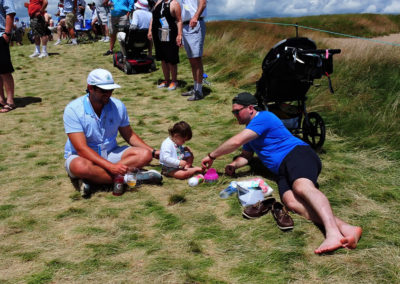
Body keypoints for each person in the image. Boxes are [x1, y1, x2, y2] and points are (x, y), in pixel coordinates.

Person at [201, 92, 363, 254]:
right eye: (233, 112)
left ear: (250, 108)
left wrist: (211, 156)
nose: (235, 115)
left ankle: (332, 233)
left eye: (237, 111)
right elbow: (246, 156)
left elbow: (236, 142)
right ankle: (346, 228)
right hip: (281, 171)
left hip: (297, 154)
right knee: (291, 202)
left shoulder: (264, 117)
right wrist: (234, 165)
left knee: (301, 187)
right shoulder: (250, 130)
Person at [63, 68, 162, 197]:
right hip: (83, 156)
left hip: (110, 152)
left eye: (111, 90)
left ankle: (93, 180)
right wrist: (110, 167)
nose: (108, 94)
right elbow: (81, 149)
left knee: (145, 155)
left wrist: (153, 152)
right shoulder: (73, 109)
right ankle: (130, 178)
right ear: (90, 88)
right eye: (104, 91)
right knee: (80, 166)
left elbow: (129, 135)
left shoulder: (118, 106)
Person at [148, 0, 182, 91]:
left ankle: (174, 81)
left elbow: (179, 20)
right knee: (163, 57)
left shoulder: (174, 3)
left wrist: (179, 35)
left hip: (170, 32)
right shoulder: (159, 3)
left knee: (171, 57)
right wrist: (150, 30)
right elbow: (153, 17)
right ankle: (166, 80)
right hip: (159, 32)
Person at [180, 0, 206, 101]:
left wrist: (195, 16)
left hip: (195, 23)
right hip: (186, 25)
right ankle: (196, 88)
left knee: (196, 59)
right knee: (192, 60)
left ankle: (199, 91)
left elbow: (203, 3)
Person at [0, 0, 16, 113]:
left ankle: (10, 101)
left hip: (0, 35)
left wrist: (7, 33)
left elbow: (10, 12)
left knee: (4, 70)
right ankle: (1, 99)